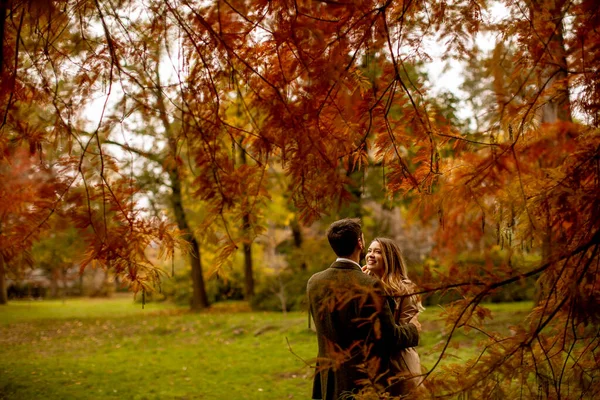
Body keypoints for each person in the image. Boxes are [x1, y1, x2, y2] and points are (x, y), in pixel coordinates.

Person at [307, 218, 420, 400]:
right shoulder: (369, 285)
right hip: (361, 380)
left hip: (327, 378)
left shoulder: (314, 282)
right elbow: (387, 337)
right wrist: (413, 330)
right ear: (360, 242)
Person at [363, 237, 425, 396]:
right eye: (369, 250)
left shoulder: (404, 288)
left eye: (377, 252)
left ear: (390, 258)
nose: (370, 255)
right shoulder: (364, 283)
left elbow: (405, 331)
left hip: (399, 363)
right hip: (372, 364)